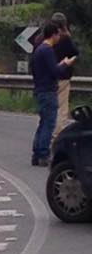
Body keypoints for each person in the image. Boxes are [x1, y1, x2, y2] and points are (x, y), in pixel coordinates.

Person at [31, 21, 76, 166]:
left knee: (43, 122)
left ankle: (37, 153)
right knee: (49, 124)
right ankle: (43, 153)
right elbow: (55, 71)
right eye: (58, 35)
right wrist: (65, 64)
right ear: (54, 35)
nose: (59, 38)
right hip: (48, 90)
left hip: (40, 88)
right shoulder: (47, 50)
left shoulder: (39, 50)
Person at [51, 11, 78, 142]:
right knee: (61, 109)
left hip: (48, 77)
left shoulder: (45, 38)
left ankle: (46, 135)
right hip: (63, 76)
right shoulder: (66, 38)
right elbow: (74, 53)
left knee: (48, 108)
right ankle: (57, 136)